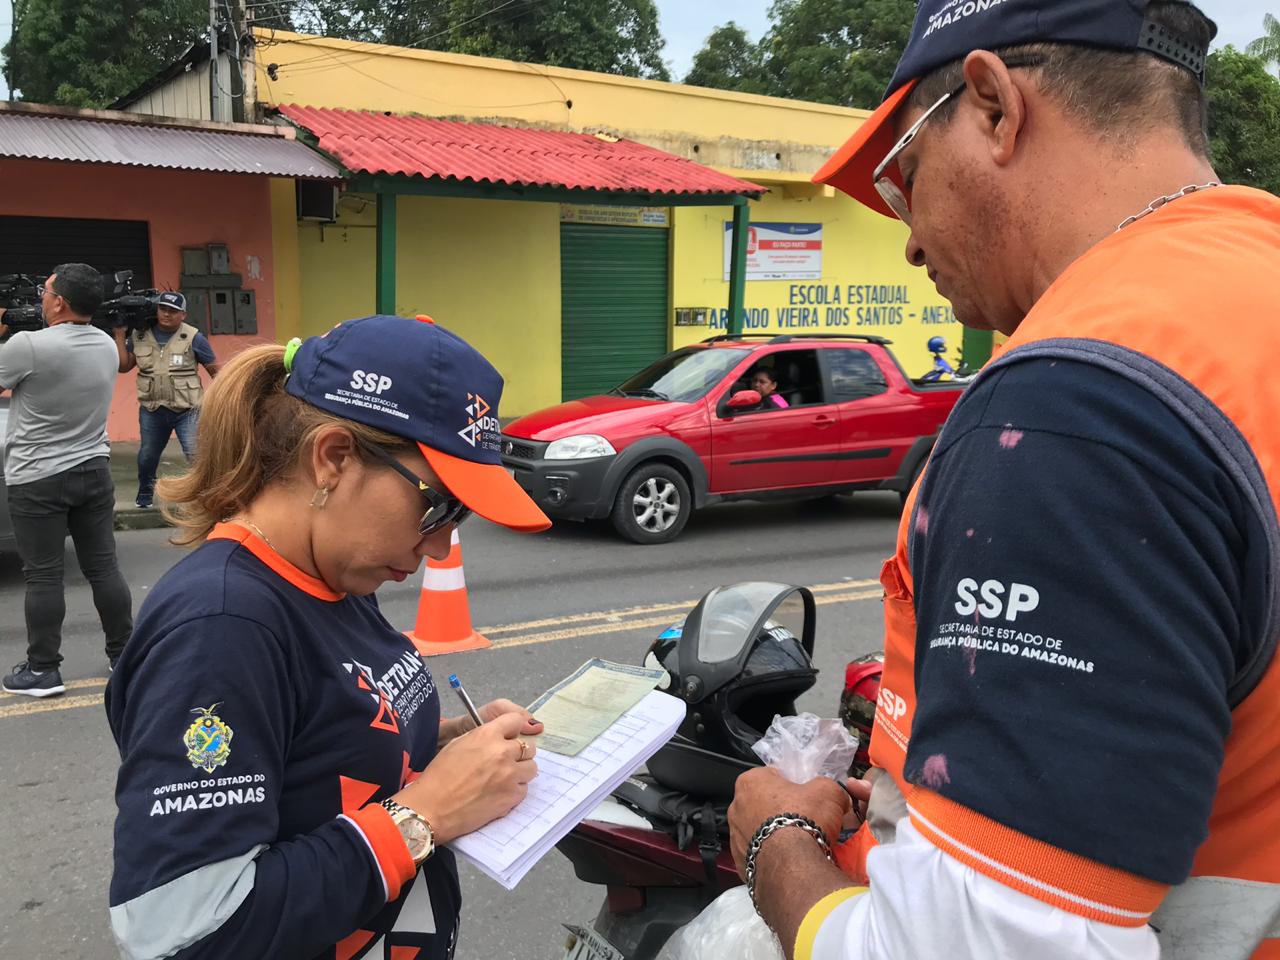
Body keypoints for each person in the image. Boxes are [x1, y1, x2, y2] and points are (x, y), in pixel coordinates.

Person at [728, 2, 1280, 959]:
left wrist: (776, 847)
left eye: (900, 180)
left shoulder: (1075, 406)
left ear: (992, 105)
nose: (905, 239)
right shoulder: (1246, 291)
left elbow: (982, 945)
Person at [106, 314, 553, 960]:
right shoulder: (221, 626)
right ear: (333, 458)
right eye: (436, 505)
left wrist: (452, 746)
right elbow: (178, 931)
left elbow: (314, 753)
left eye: (461, 517)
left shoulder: (338, 576)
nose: (440, 544)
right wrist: (422, 816)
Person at [0, 264, 133, 697]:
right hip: (93, 470)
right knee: (103, 568)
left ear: (59, 302)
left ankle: (42, 670)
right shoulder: (105, 345)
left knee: (42, 576)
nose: (41, 296)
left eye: (46, 291)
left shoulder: (27, 345)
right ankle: (125, 656)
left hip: (38, 476)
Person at [114, 291, 220, 509]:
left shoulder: (194, 338)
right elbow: (124, 366)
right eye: (163, 309)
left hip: (188, 411)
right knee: (147, 456)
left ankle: (203, 499)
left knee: (195, 454)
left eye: (173, 311)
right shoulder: (140, 335)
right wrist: (118, 335)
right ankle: (145, 494)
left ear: (183, 314)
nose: (167, 314)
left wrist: (217, 402)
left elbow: (217, 373)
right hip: (152, 409)